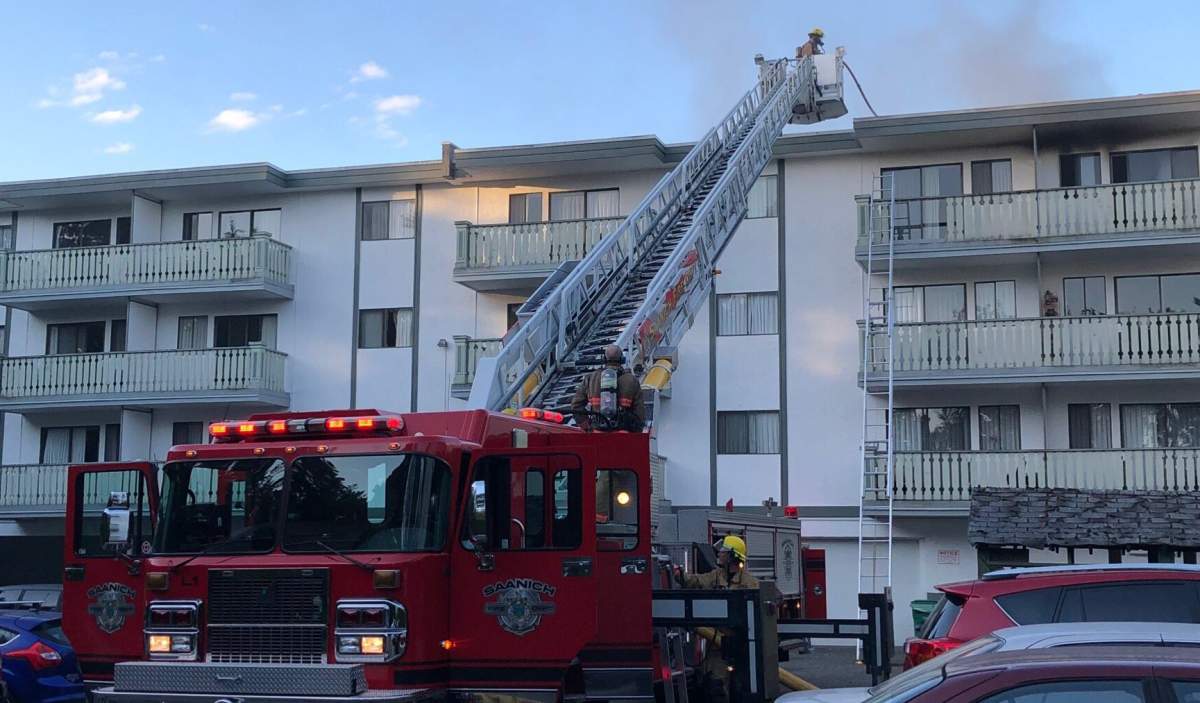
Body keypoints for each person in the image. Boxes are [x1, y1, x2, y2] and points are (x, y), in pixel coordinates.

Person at [674, 536, 759, 703]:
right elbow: (696, 582)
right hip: (718, 647)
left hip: (743, 646)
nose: (719, 554)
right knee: (715, 686)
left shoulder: (750, 583)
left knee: (743, 687)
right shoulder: (715, 576)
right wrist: (679, 575)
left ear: (733, 556)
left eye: (723, 551)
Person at [571, 344, 646, 432]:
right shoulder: (631, 380)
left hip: (597, 432)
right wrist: (635, 431)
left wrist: (588, 427)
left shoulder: (591, 378)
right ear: (622, 359)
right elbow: (639, 412)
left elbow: (576, 406)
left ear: (604, 359)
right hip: (622, 433)